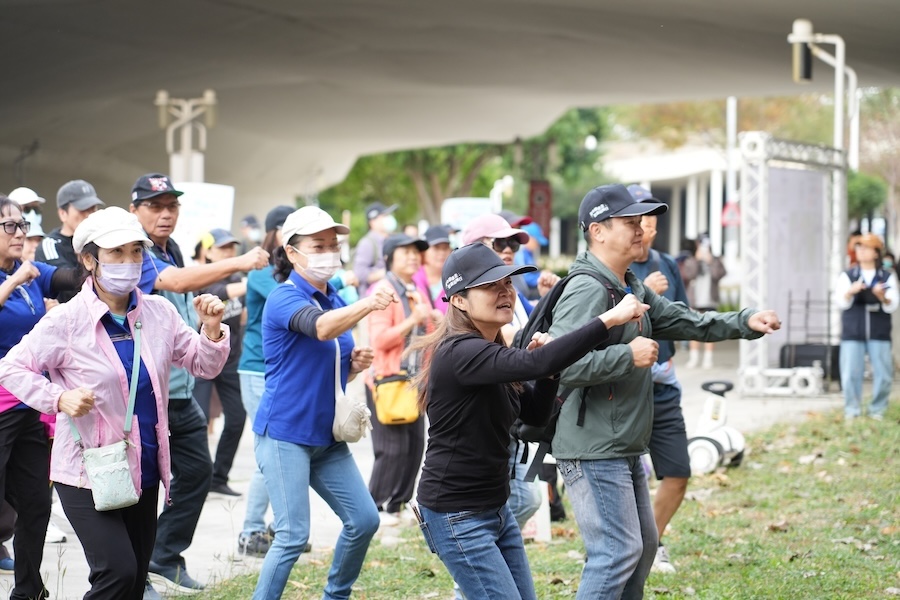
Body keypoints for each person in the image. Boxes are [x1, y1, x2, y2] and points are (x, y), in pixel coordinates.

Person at [547, 183, 781, 600]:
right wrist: (627, 355)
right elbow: (558, 365)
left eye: (642, 221)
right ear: (597, 231)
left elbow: (685, 320)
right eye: (630, 222)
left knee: (642, 548)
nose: (641, 229)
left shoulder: (629, 285)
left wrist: (745, 321)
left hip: (621, 441)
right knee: (616, 553)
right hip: (592, 445)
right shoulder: (586, 287)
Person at [0, 206, 230, 599]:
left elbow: (202, 364)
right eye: (116, 253)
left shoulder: (159, 312)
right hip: (88, 470)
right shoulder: (66, 321)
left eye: (136, 252)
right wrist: (59, 398)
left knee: (135, 581)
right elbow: (11, 368)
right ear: (89, 260)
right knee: (118, 573)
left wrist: (211, 330)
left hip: (144, 467)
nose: (129, 262)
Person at [410, 242, 650, 600]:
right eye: (490, 286)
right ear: (459, 300)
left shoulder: (491, 353)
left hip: (496, 509)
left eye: (507, 283)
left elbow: (535, 415)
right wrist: (608, 320)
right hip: (457, 515)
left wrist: (549, 374)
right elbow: (536, 363)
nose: (505, 292)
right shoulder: (460, 351)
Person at [128, 173, 269, 596]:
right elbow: (175, 282)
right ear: (134, 209)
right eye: (155, 206)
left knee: (197, 473)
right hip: (143, 396)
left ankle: (165, 555)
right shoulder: (133, 251)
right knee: (141, 488)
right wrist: (239, 262)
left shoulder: (168, 247)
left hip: (180, 391)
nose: (165, 214)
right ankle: (133, 576)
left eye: (172, 206)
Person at [252, 205, 394, 600]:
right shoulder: (284, 297)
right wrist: (368, 303)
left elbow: (327, 369)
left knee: (364, 520)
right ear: (292, 252)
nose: (330, 252)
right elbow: (318, 329)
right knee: (293, 535)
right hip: (285, 434)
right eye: (318, 245)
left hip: (326, 437)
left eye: (333, 245)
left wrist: (352, 366)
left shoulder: (334, 299)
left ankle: (336, 595)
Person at [0, 193, 81, 600]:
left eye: (23, 225)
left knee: (35, 502)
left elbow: (71, 278)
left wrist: (98, 258)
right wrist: (14, 282)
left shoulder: (29, 270)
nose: (20, 233)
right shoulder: (20, 276)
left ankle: (29, 591)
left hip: (28, 400)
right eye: (9, 225)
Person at [626, 184, 691, 574]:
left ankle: (652, 543)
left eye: (649, 217)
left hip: (663, 383)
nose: (644, 225)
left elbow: (682, 316)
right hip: (624, 389)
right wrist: (646, 293)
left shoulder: (667, 262)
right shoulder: (609, 268)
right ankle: (624, 549)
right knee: (623, 478)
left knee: (678, 471)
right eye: (636, 217)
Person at [236, 205, 294, 558]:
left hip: (285, 370)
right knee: (270, 453)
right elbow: (289, 304)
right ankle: (251, 530)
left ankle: (281, 528)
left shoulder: (294, 271)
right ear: (275, 232)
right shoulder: (262, 270)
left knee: (287, 451)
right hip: (258, 370)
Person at [366, 233, 435, 524]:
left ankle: (398, 503)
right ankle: (375, 507)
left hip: (413, 381)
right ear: (389, 257)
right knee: (391, 449)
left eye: (415, 252)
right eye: (405, 251)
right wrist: (413, 319)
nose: (412, 257)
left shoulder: (415, 289)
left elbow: (427, 333)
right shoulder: (382, 290)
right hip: (388, 380)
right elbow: (379, 340)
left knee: (415, 446)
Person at [194, 228, 247, 497]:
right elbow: (221, 291)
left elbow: (243, 316)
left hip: (231, 360)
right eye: (223, 248)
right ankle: (195, 478)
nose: (229, 253)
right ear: (209, 252)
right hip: (201, 359)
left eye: (232, 248)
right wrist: (254, 281)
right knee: (198, 419)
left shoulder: (238, 278)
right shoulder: (201, 277)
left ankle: (219, 477)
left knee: (237, 418)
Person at [836, 232, 898, 421]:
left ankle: (877, 410)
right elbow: (840, 302)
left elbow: (893, 304)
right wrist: (850, 292)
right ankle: (852, 410)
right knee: (850, 372)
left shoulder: (886, 276)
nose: (861, 251)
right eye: (859, 247)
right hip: (853, 330)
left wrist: (882, 296)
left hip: (879, 331)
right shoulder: (848, 275)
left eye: (866, 248)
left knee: (883, 373)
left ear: (876, 252)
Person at [35, 179, 105, 303]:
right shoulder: (50, 244)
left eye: (93, 209)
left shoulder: (102, 240)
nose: (89, 215)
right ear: (63, 213)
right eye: (83, 209)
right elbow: (70, 284)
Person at [681, 234, 727, 369]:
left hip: (710, 300)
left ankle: (708, 359)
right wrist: (697, 259)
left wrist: (711, 261)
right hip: (695, 300)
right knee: (693, 328)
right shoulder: (691, 260)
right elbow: (689, 275)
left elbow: (719, 275)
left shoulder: (715, 260)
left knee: (710, 329)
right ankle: (694, 357)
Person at [353, 201, 398, 297]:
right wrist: (388, 272)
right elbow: (359, 273)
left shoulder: (392, 239)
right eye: (384, 216)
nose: (388, 218)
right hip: (374, 298)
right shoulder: (367, 243)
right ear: (372, 222)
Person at [413, 224, 454, 315]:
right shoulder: (412, 277)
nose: (442, 253)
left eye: (445, 248)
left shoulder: (455, 279)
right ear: (424, 251)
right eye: (436, 248)